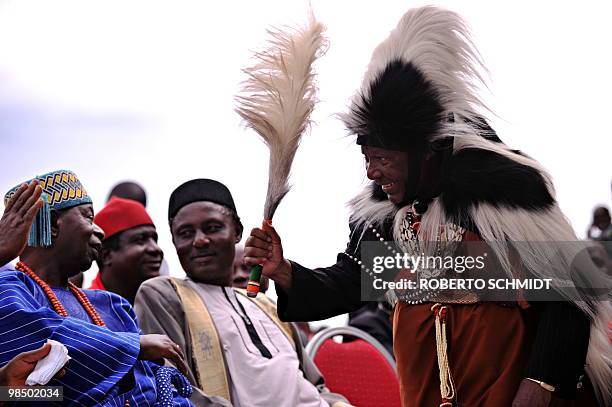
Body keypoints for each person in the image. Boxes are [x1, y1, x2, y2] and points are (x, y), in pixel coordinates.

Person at [245, 6, 611, 407]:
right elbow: (353, 282)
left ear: (425, 152)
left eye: (382, 158)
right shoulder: (386, 212)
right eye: (366, 158)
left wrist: (537, 389)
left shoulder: (506, 191)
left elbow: (571, 297)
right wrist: (286, 272)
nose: (371, 173)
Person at [134, 178, 350, 407]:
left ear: (236, 232)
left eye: (212, 228)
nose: (200, 240)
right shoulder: (163, 294)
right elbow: (171, 386)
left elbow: (315, 386)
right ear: (174, 241)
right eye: (185, 233)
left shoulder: (267, 306)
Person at [0, 170, 202, 406]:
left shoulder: (112, 305)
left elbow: (148, 382)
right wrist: (134, 346)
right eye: (88, 217)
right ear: (55, 223)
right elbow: (19, 389)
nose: (100, 231)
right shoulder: (11, 290)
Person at [88, 197, 163, 304]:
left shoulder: (166, 303)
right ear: (106, 256)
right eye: (140, 240)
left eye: (155, 240)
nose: (156, 249)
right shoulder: (84, 312)